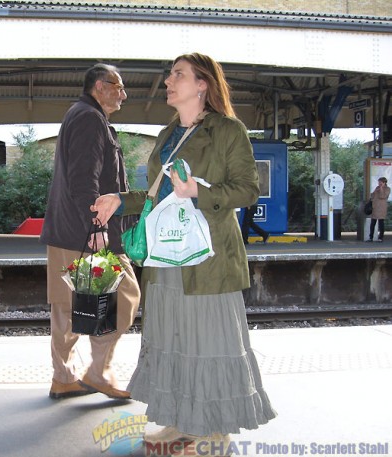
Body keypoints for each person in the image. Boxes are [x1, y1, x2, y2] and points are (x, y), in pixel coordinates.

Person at [91, 53, 276, 454]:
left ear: (202, 84)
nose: (169, 81)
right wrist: (118, 201)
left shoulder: (228, 130)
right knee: (174, 338)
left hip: (209, 261)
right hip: (167, 258)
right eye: (170, 74)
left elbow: (247, 190)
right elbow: (157, 195)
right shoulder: (168, 133)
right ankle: (182, 422)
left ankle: (214, 431)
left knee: (209, 342)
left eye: (178, 75)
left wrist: (199, 192)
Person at [39, 64, 141, 400]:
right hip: (88, 232)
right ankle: (97, 372)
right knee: (123, 296)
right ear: (101, 86)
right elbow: (85, 178)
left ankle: (66, 376)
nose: (123, 94)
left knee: (69, 306)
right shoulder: (89, 118)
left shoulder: (79, 114)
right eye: (119, 87)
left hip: (72, 231)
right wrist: (96, 225)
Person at [367, 176, 390, 242]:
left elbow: (383, 196)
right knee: (372, 223)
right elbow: (372, 196)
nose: (379, 183)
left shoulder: (387, 189)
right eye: (378, 182)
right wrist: (375, 191)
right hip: (375, 207)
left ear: (384, 182)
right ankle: (370, 237)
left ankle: (380, 237)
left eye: (380, 182)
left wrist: (381, 188)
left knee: (381, 223)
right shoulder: (377, 188)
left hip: (381, 208)